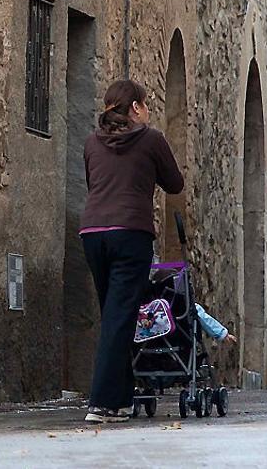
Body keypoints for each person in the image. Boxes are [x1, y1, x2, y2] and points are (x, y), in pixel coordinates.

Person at [78, 79, 185, 423]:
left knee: (114, 314)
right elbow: (175, 184)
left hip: (93, 232)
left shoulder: (92, 143)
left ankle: (120, 398)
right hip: (130, 233)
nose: (149, 110)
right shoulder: (151, 139)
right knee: (120, 317)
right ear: (136, 108)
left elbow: (93, 183)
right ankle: (101, 402)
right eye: (146, 104)